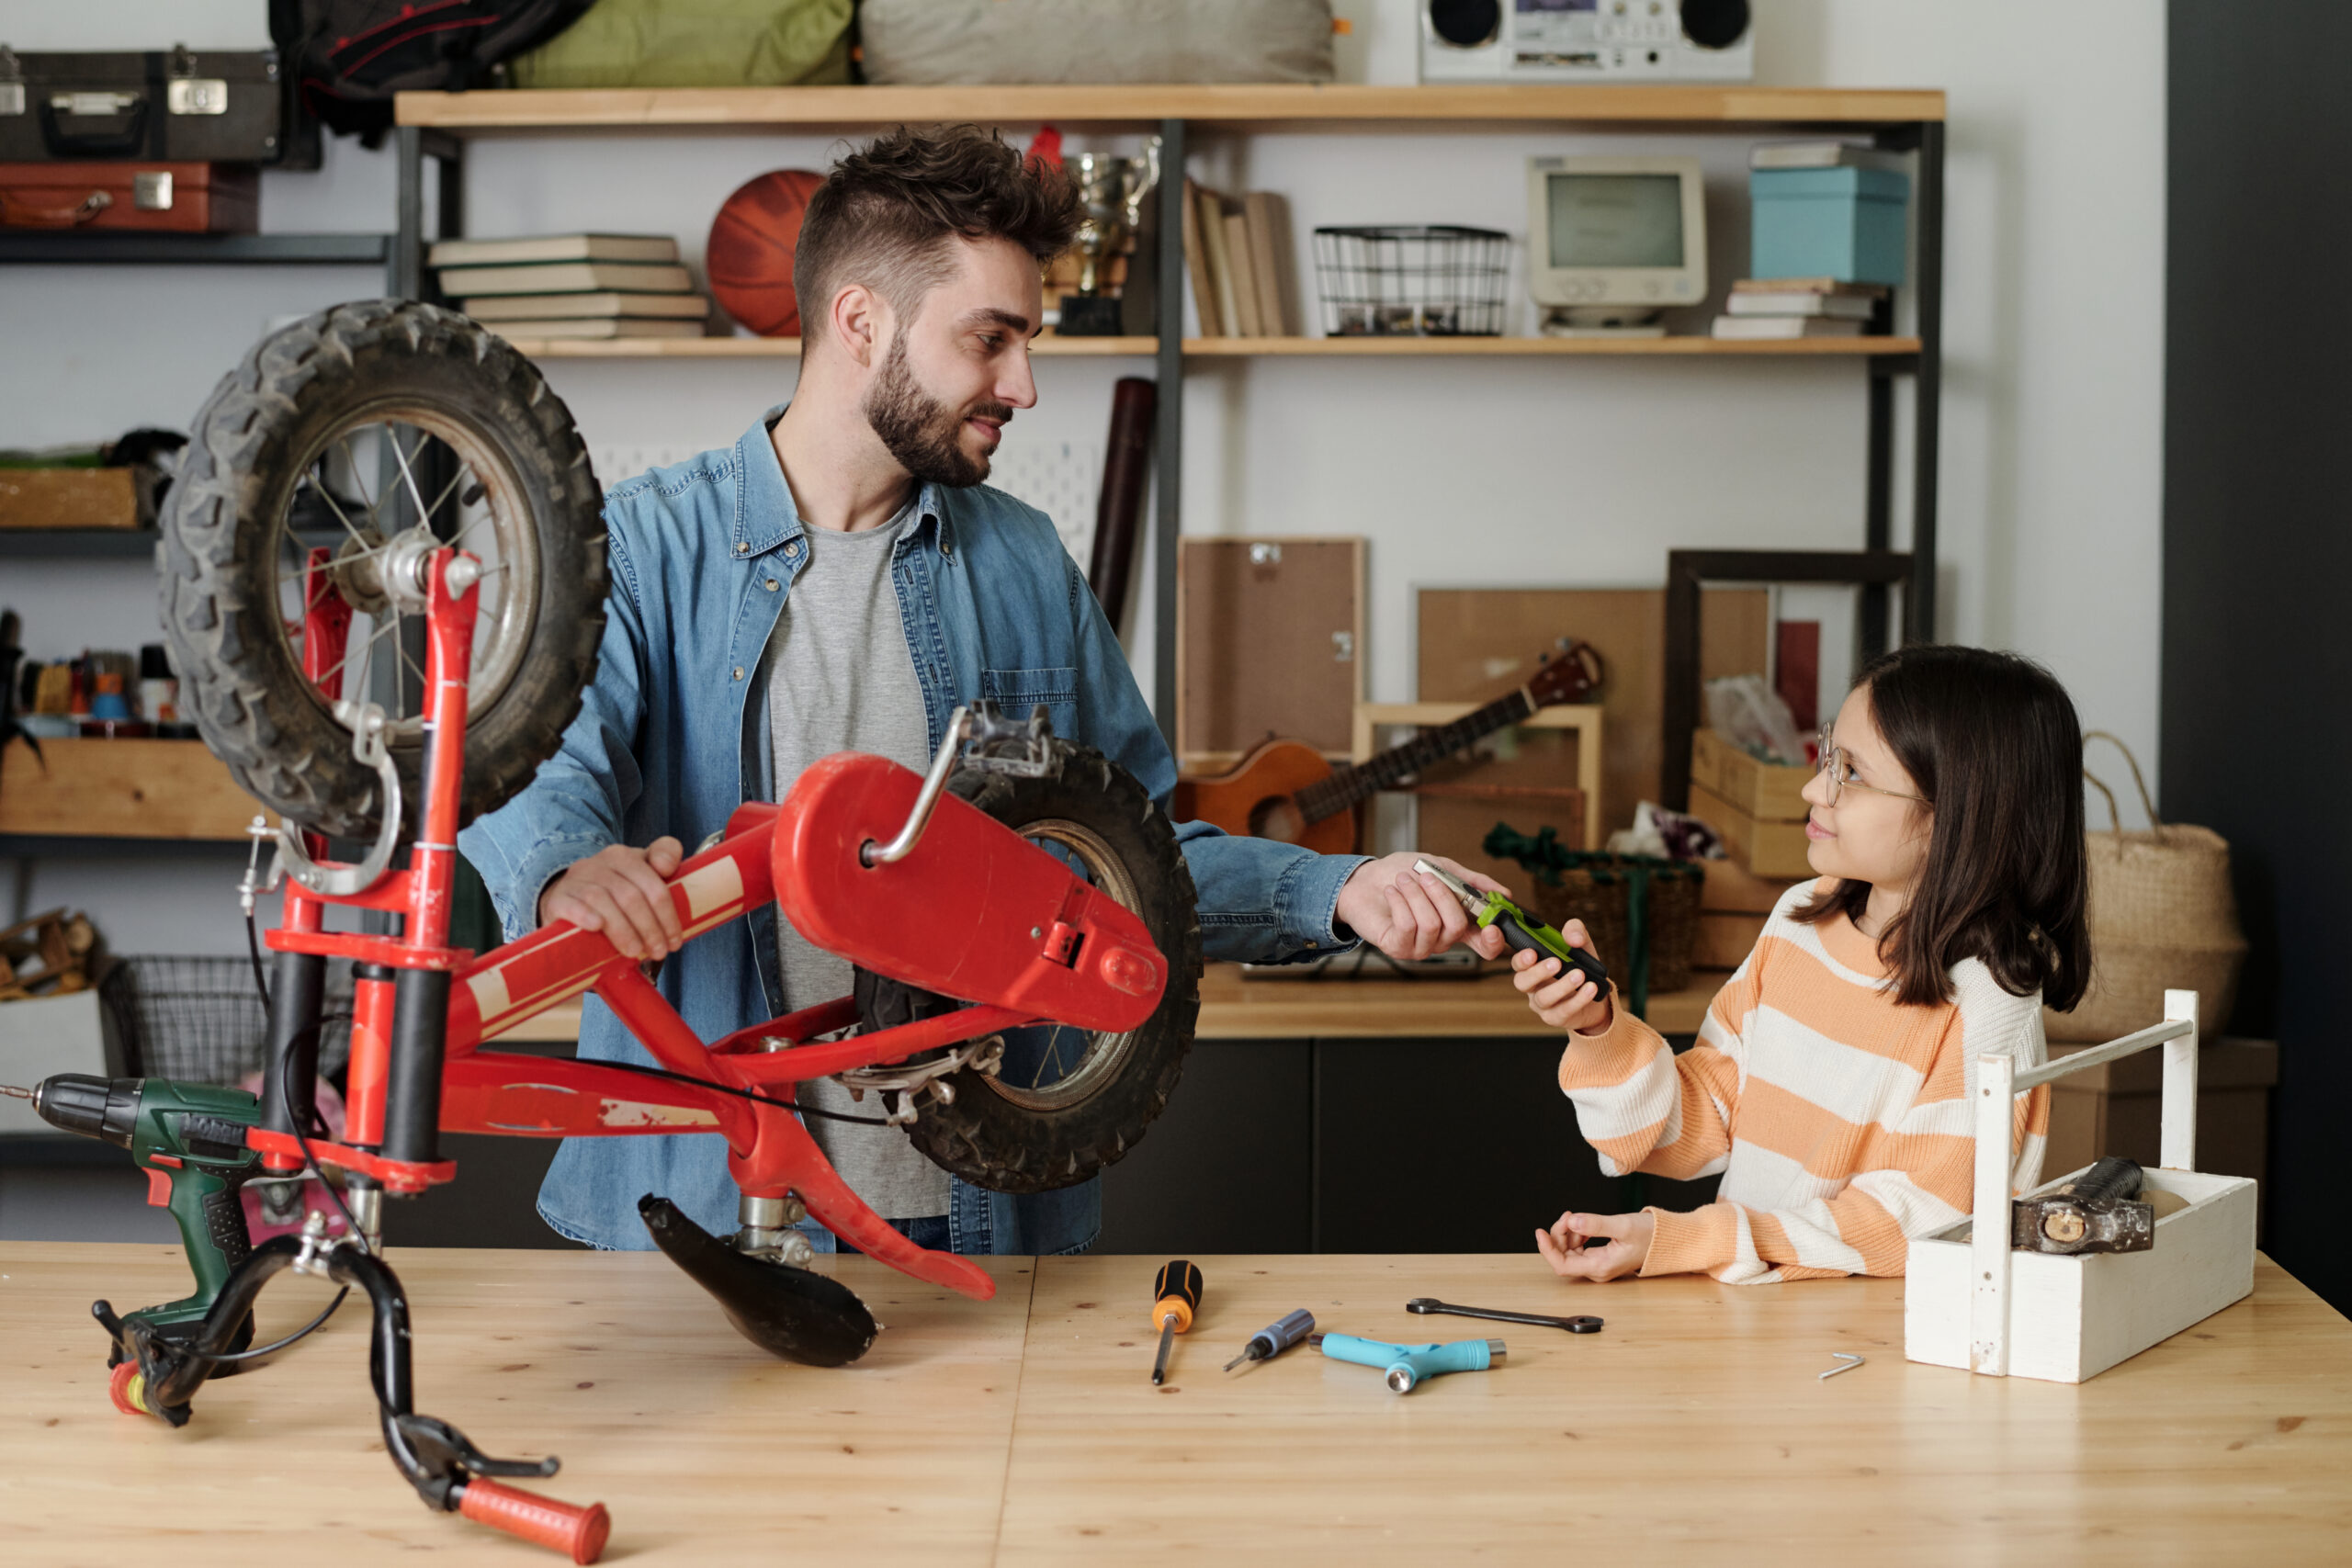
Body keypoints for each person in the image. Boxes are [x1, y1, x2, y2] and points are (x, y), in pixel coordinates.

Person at [458, 124, 1508, 1258]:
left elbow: (1128, 857)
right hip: (694, 1222)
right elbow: (525, 761)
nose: (1024, 384)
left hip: (974, 1221)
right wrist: (568, 866)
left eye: (1026, 342)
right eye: (989, 339)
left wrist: (1337, 892)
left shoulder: (1020, 563)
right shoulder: (647, 547)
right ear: (860, 323)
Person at [1512, 645, 2091, 1284]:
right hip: (1750, 1334)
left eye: (1855, 774)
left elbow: (1921, 1226)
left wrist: (1693, 1237)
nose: (1815, 787)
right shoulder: (1800, 920)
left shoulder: (1989, 1006)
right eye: (1828, 757)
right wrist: (1599, 1027)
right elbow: (1701, 1115)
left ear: (1957, 817)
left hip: (1875, 1358)